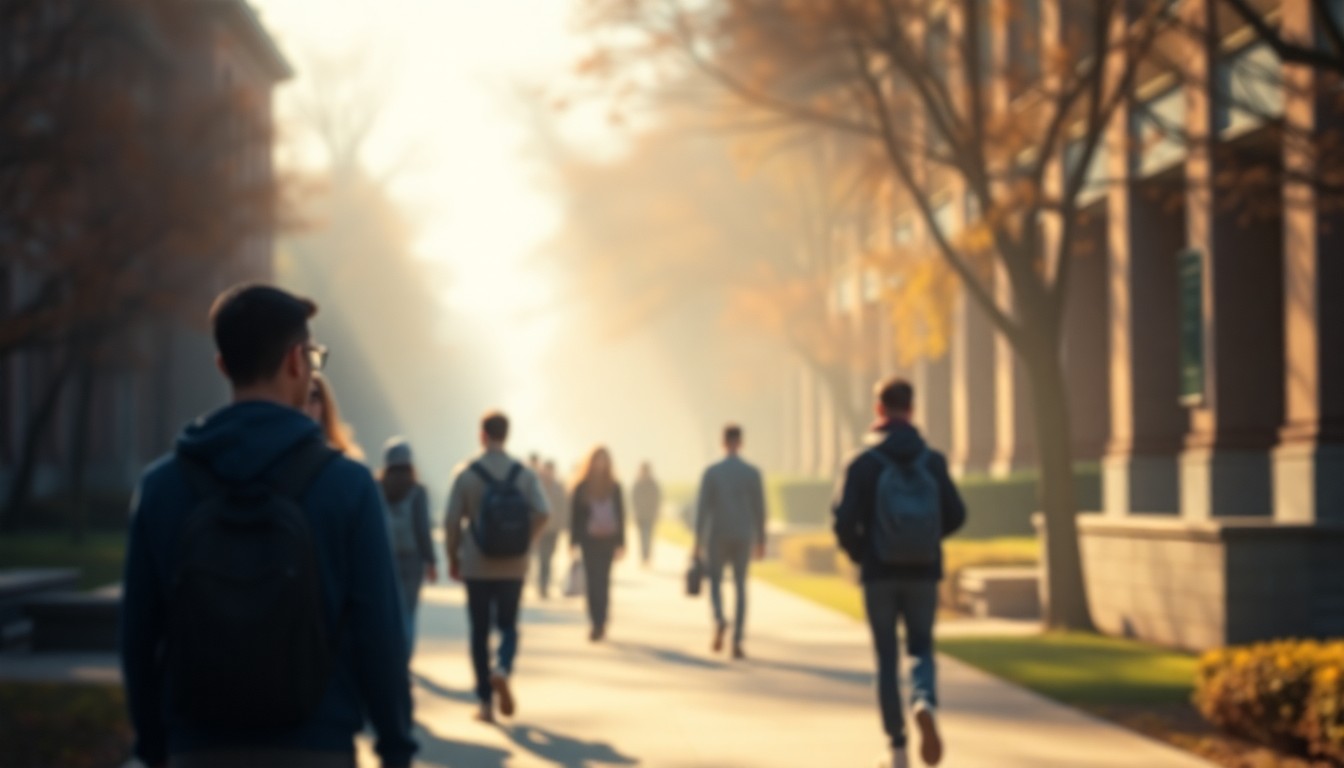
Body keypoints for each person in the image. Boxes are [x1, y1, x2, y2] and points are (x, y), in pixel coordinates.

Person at [119, 284, 415, 768]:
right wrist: (396, 747)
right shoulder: (348, 485)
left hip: (197, 747)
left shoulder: (162, 487)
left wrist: (155, 748)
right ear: (297, 361)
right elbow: (379, 633)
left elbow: (138, 637)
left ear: (223, 366)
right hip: (317, 746)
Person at [832, 377, 966, 768]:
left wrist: (864, 553)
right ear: (912, 409)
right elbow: (957, 514)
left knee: (886, 659)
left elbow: (843, 522)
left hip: (879, 574)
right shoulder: (932, 461)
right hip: (923, 572)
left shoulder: (863, 462)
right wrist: (927, 541)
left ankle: (898, 748)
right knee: (921, 648)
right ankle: (924, 701)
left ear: (879, 409)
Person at [444, 411, 550, 724]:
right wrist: (524, 540)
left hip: (477, 566)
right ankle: (502, 667)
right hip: (513, 567)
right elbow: (544, 511)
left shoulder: (466, 473)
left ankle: (485, 703)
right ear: (507, 434)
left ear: (482, 435)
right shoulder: (524, 474)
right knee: (508, 626)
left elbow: (451, 521)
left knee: (479, 632)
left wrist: (453, 557)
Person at [694, 424, 767, 660]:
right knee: (740, 585)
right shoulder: (752, 473)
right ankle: (737, 640)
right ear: (741, 442)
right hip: (743, 534)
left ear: (723, 442)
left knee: (715, 581)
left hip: (717, 534)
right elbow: (760, 509)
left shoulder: (712, 472)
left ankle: (719, 618)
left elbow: (702, 509)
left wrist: (697, 540)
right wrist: (761, 539)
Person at [379, 437, 437, 653]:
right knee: (409, 611)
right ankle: (404, 656)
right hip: (413, 559)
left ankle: (389, 654)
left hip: (384, 558)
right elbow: (423, 529)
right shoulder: (417, 491)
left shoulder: (377, 488)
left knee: (387, 610)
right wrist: (431, 561)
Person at [569, 446, 627, 642]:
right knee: (592, 582)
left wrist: (621, 543)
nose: (601, 463)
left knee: (604, 581)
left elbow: (621, 515)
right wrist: (573, 542)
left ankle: (602, 620)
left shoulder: (614, 487)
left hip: (608, 542)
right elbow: (575, 517)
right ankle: (594, 621)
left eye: (604, 459)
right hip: (589, 542)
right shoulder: (582, 487)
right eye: (598, 459)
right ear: (591, 462)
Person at [305, 372, 364, 461]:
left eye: (313, 399)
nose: (305, 407)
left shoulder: (343, 460)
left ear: (325, 404)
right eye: (299, 399)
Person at [534, 459, 569, 599]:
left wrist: (563, 525)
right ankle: (542, 584)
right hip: (540, 528)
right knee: (542, 557)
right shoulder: (537, 485)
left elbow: (563, 506)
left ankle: (545, 583)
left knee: (549, 556)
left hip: (554, 529)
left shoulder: (558, 487)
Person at [631, 462, 662, 567]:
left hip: (650, 515)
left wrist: (656, 511)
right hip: (640, 515)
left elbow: (657, 498)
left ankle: (647, 556)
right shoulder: (637, 484)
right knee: (641, 537)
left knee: (648, 536)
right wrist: (634, 512)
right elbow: (633, 499)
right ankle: (643, 557)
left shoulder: (653, 484)